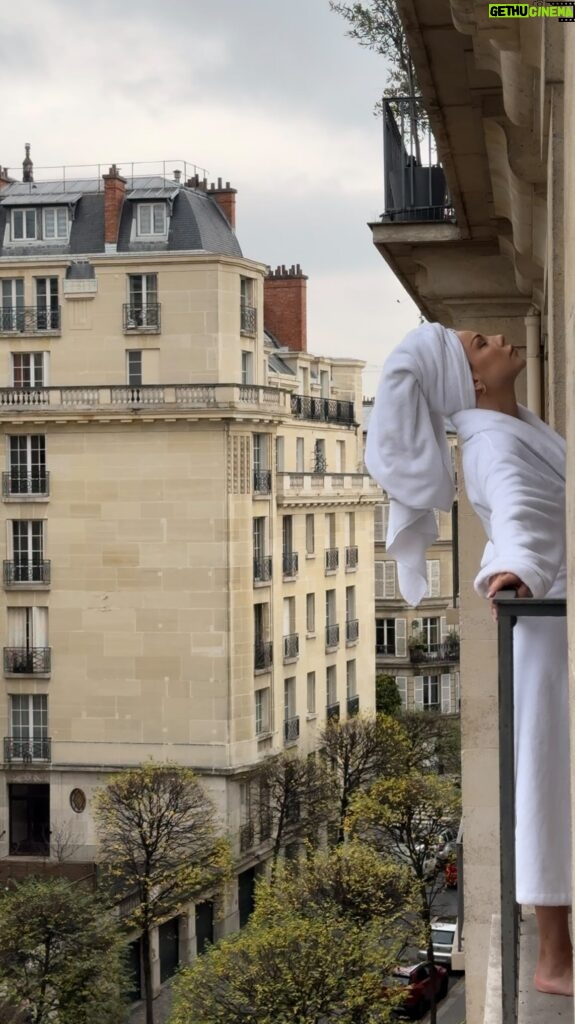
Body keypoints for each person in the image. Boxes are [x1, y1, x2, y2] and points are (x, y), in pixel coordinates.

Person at [365, 322, 571, 997]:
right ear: (472, 381)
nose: (499, 338)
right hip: (544, 620)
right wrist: (513, 570)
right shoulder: (490, 447)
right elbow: (516, 516)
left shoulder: (512, 428)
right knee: (544, 777)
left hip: (549, 612)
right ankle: (552, 958)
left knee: (549, 774)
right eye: (481, 342)